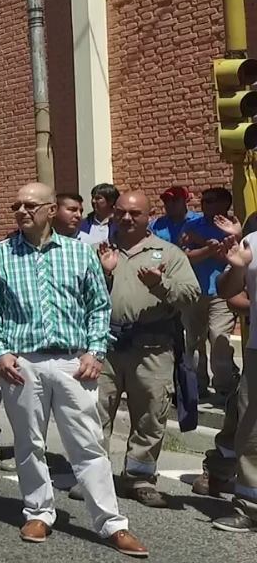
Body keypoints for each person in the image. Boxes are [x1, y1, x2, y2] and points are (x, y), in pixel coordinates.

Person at [0, 182, 147, 557]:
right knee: (28, 443)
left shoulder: (79, 254)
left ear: (50, 210)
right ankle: (38, 511)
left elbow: (98, 308)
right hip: (22, 363)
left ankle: (111, 523)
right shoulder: (0, 256)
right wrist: (1, 352)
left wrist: (95, 352)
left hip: (74, 362)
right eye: (16, 205)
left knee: (87, 444)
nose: (21, 211)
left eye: (30, 205)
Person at [94, 190, 200, 509]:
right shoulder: (99, 252)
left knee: (151, 415)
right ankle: (93, 478)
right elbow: (79, 295)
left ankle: (139, 478)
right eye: (122, 212)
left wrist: (159, 284)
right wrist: (104, 272)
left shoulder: (168, 254)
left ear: (147, 216)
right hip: (107, 347)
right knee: (95, 415)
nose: (127, 218)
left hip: (152, 347)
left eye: (135, 213)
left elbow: (191, 295)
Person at [204, 225, 257, 532]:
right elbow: (227, 292)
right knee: (251, 432)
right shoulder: (250, 241)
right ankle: (250, 508)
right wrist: (236, 267)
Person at [177, 187, 240, 400]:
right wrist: (210, 249)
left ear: (225, 203)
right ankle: (198, 386)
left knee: (218, 338)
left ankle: (225, 387)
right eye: (204, 201)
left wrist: (203, 244)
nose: (206, 205)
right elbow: (187, 256)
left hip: (222, 293)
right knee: (193, 342)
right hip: (195, 291)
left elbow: (233, 259)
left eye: (212, 201)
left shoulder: (233, 227)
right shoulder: (192, 225)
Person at [79, 183, 119, 247]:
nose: (93, 201)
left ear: (111, 201)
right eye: (92, 197)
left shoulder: (119, 224)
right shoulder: (82, 224)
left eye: (98, 198)